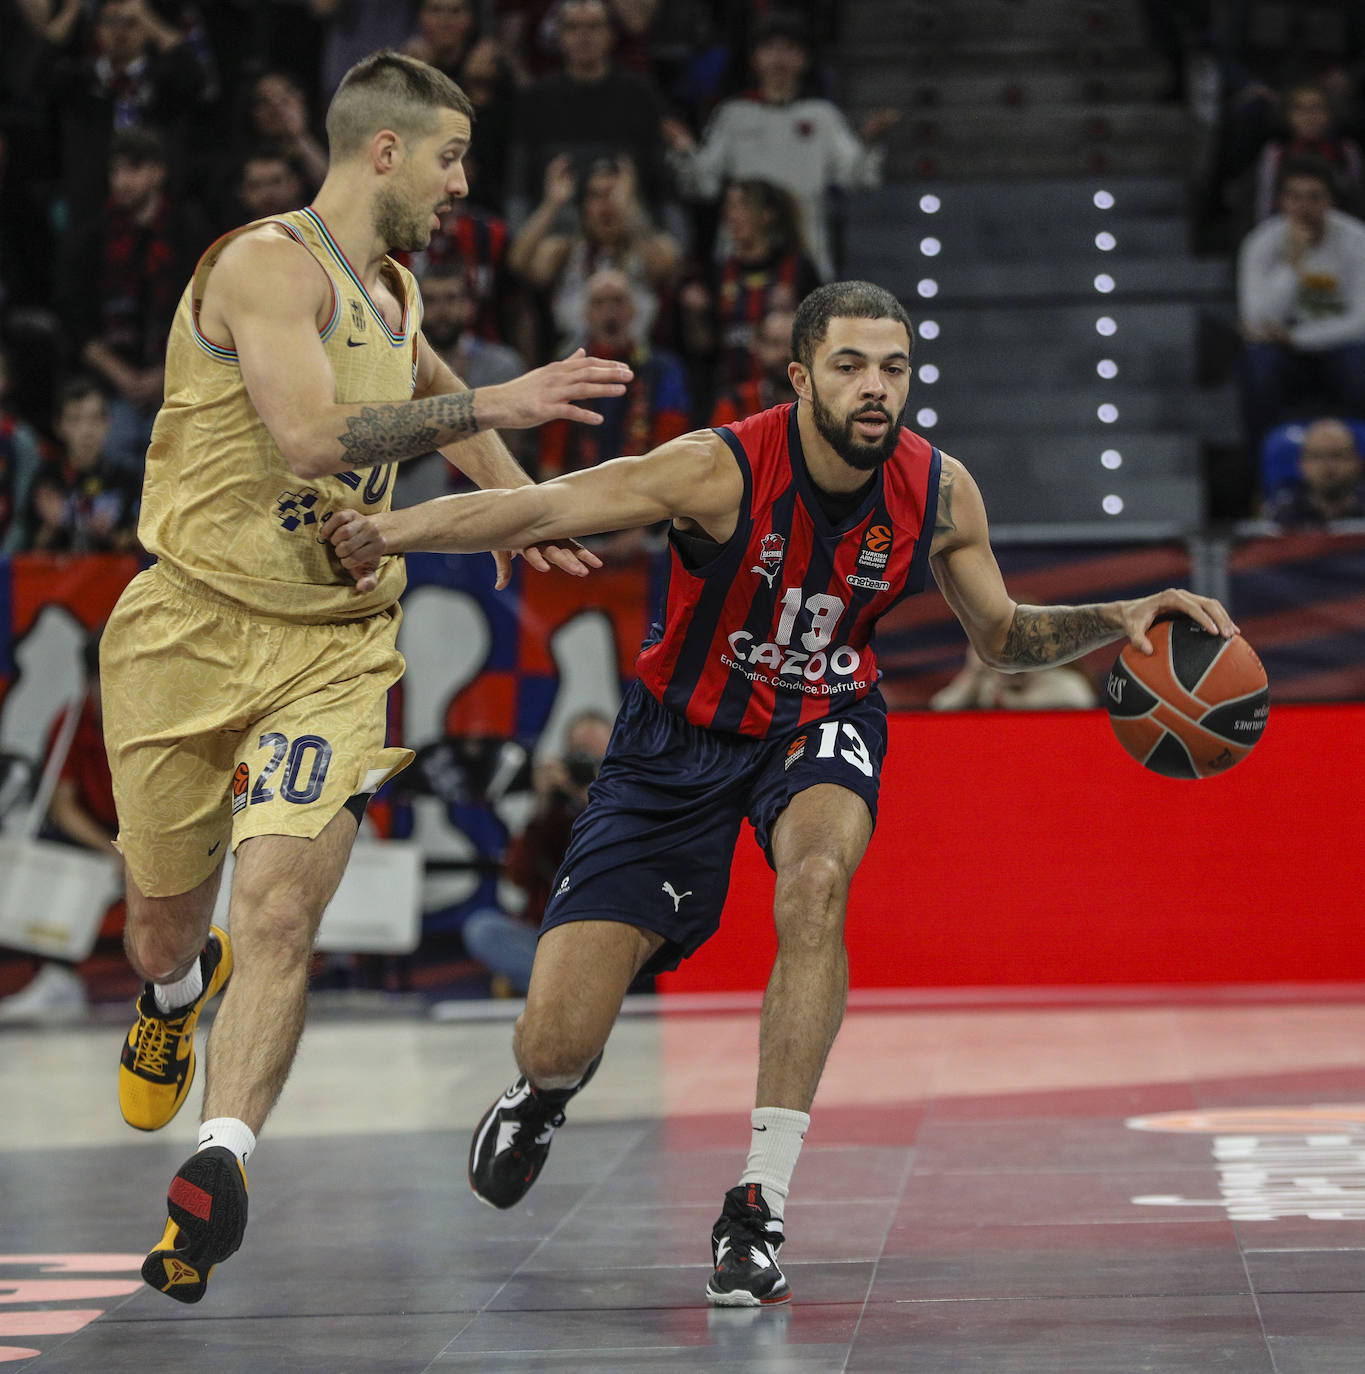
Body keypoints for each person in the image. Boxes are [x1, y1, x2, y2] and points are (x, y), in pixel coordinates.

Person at [322, 278, 1238, 1307]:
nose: (875, 388)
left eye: (893, 367)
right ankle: (543, 1096)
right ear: (801, 376)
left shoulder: (940, 492)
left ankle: (758, 1201)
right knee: (558, 1036)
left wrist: (1123, 614)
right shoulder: (718, 468)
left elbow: (1001, 638)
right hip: (676, 745)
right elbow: (545, 504)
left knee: (815, 887)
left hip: (823, 717)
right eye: (850, 366)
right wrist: (387, 534)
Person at [100, 49, 631, 1306]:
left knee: (280, 906)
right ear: (382, 152)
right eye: (450, 157)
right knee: (165, 922)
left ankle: (217, 1164)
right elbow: (312, 437)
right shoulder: (262, 266)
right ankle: (174, 992)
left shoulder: (394, 287)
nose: (463, 183)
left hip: (333, 644)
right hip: (188, 625)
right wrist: (516, 400)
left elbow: (428, 384)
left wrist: (521, 500)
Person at [663, 12, 898, 279]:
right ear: (754, 59)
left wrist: (868, 141)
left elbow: (855, 177)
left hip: (805, 249)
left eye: (789, 49)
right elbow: (704, 183)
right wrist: (684, 150)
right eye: (770, 49)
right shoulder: (733, 115)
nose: (779, 58)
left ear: (804, 59)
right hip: (742, 250)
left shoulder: (821, 116)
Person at [0, 628, 120, 1024]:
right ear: (88, 682)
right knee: (49, 843)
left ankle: (198, 975)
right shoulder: (69, 723)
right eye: (106, 681)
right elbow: (63, 807)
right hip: (99, 832)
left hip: (153, 830)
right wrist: (114, 851)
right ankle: (57, 979)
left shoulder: (160, 720)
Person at [463, 708, 612, 996]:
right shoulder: (554, 811)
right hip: (552, 938)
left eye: (597, 759)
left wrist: (592, 801)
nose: (586, 767)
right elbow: (517, 876)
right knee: (482, 929)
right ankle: (574, 991)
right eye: (580, 756)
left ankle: (563, 990)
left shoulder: (628, 802)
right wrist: (543, 805)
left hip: (607, 938)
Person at [1238, 157, 1365, 457]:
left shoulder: (1356, 240)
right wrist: (1294, 263)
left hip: (1338, 343)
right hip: (1282, 350)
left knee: (1360, 366)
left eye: (1314, 197)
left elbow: (1362, 321)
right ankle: (1263, 471)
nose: (1303, 207)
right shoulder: (1262, 243)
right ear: (1281, 201)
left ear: (1330, 200)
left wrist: (1295, 337)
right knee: (1259, 365)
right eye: (1294, 197)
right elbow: (1258, 318)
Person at [26, 377, 140, 552]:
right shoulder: (46, 480)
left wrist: (110, 535)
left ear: (107, 423)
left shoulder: (127, 478)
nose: (86, 430)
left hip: (115, 577)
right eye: (75, 419)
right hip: (59, 577)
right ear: (59, 426)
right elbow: (28, 554)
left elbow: (141, 547)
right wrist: (52, 525)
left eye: (95, 419)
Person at [1264, 416, 1365, 525]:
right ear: (1301, 464)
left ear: (1357, 462)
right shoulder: (1281, 516)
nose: (1327, 466)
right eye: (1316, 456)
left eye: (1337, 455)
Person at [709, 306, 798, 428]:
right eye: (774, 343)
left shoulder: (823, 405)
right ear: (756, 346)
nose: (784, 353)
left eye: (792, 344)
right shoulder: (736, 404)